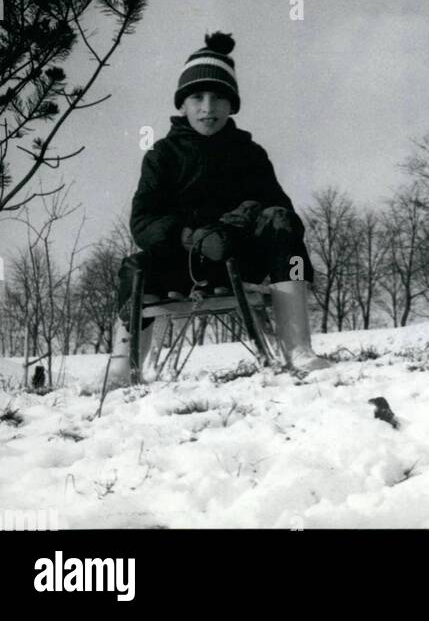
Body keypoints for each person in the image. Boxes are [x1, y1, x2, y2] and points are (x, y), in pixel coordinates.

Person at [106, 32, 329, 387]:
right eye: (197, 97)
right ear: (183, 104)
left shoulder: (249, 153)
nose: (207, 108)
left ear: (232, 105)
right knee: (134, 268)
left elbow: (282, 211)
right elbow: (143, 221)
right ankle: (122, 371)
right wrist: (190, 237)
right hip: (182, 265)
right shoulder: (162, 156)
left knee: (284, 229)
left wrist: (237, 225)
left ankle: (299, 350)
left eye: (218, 98)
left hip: (242, 261)